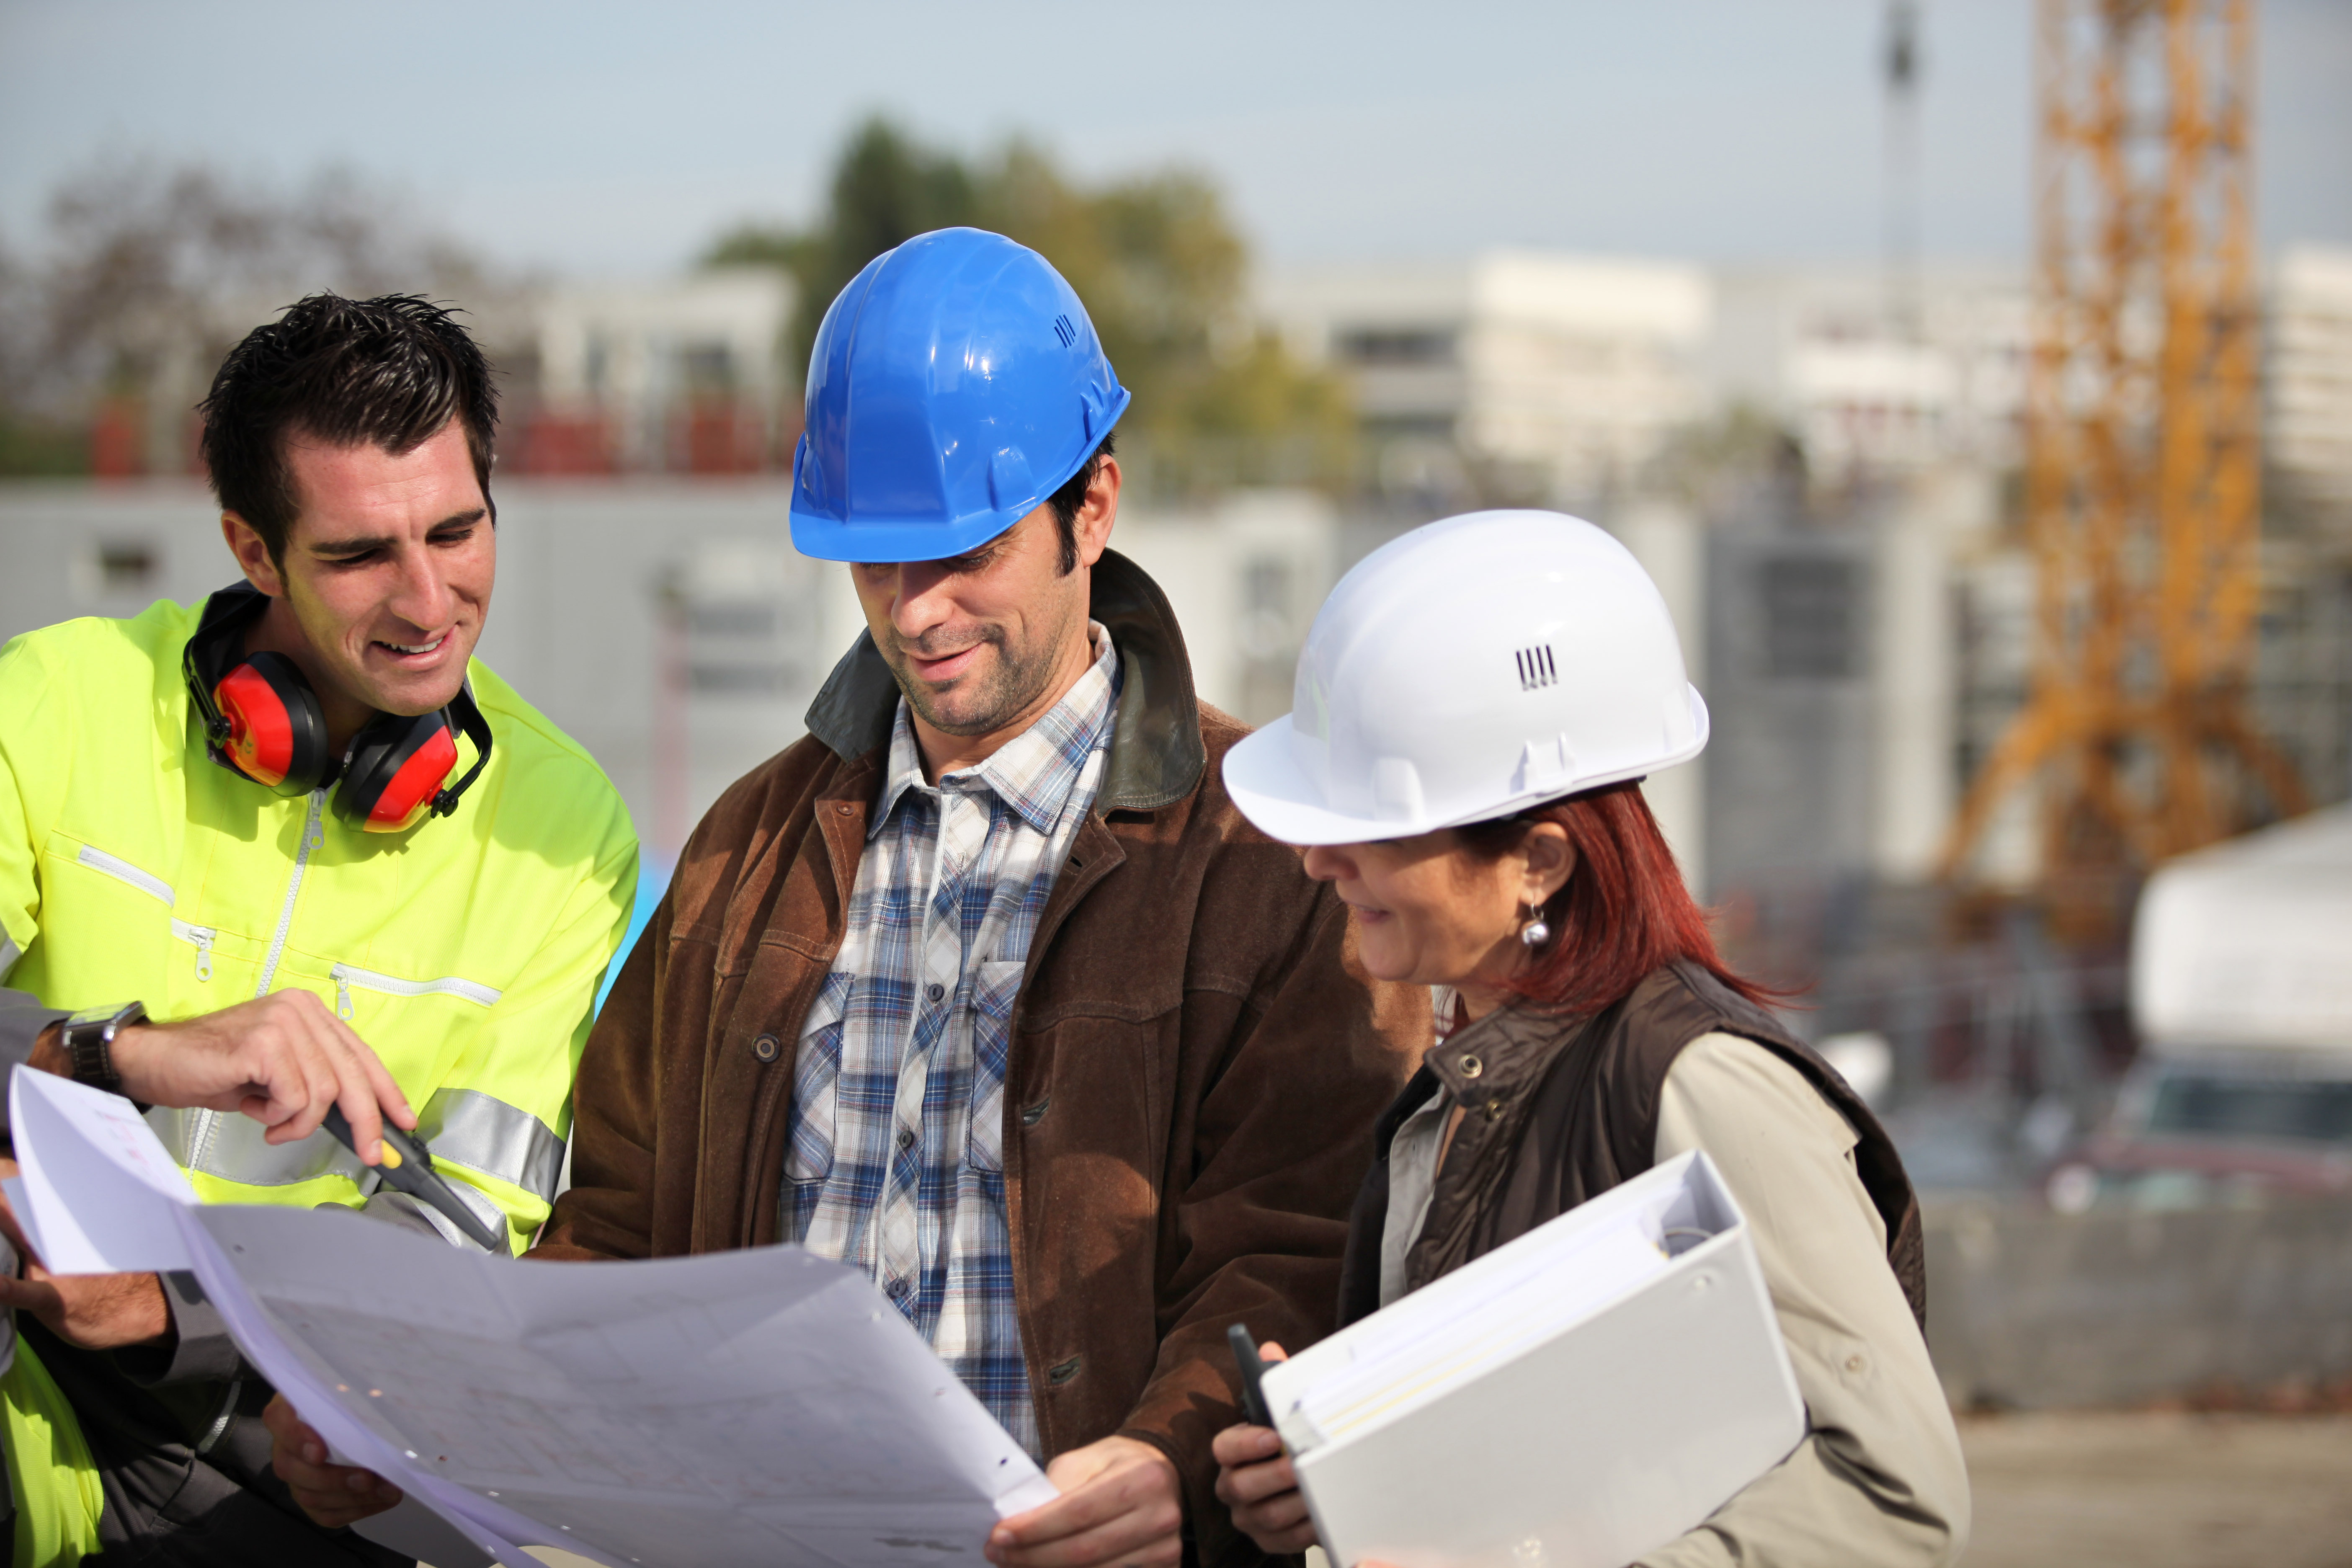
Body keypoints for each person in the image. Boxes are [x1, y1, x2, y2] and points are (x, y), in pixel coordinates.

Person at [267, 228, 1429, 1565]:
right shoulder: (745, 851)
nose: (918, 611)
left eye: (967, 554)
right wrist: (434, 1423)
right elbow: (622, 1238)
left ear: (1092, 508)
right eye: (877, 560)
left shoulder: (1268, 856)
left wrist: (1172, 1461)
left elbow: (1298, 1241)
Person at [0, 293, 640, 1565]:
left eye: (459, 532)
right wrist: (118, 1051)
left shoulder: (569, 831)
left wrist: (176, 1311)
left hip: (292, 1456)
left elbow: (465, 1231)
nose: (428, 599)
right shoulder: (54, 700)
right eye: (359, 556)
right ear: (253, 548)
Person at [1209, 511, 1970, 1566]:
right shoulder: (1455, 1092)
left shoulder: (1704, 1088)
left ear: (1541, 862)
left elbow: (1894, 1499)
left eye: (1372, 829)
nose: (1320, 864)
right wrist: (1336, 1490)